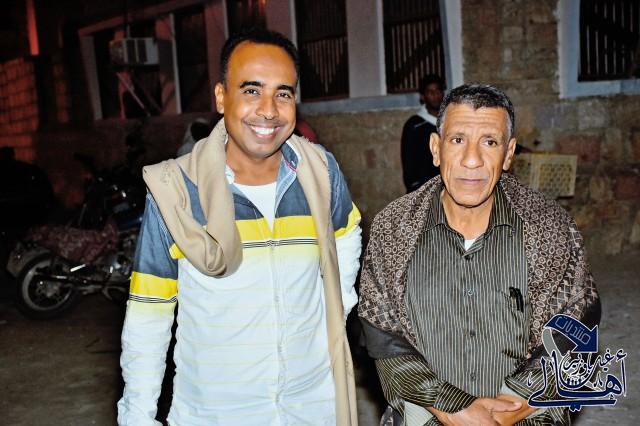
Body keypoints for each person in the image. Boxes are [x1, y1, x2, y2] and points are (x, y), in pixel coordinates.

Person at [118, 28, 362, 425]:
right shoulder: (177, 191)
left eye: (283, 93)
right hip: (216, 413)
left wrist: (338, 302)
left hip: (312, 406)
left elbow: (347, 233)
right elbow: (149, 315)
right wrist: (138, 415)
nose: (269, 110)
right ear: (221, 97)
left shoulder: (320, 173)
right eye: (251, 90)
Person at [358, 84, 600, 425]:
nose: (471, 160)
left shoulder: (549, 226)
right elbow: (383, 334)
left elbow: (576, 321)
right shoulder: (395, 228)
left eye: (490, 142)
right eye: (457, 140)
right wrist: (451, 407)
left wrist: (511, 408)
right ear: (436, 148)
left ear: (509, 153)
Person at [401, 74, 445, 193]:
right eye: (430, 92)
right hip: (424, 190)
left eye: (438, 91)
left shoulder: (450, 122)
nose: (435, 95)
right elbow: (408, 162)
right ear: (423, 96)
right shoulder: (414, 125)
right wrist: (416, 189)